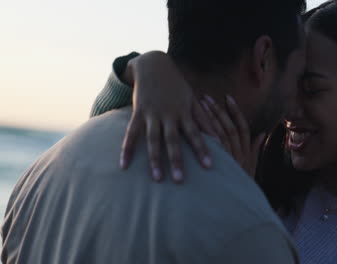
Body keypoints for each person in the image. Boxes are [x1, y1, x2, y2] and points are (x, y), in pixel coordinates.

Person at [90, 0, 337, 263]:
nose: (289, 109)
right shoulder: (254, 159)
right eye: (291, 84)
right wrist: (142, 69)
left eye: (311, 89)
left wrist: (241, 204)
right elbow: (105, 149)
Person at [1, 0, 307, 263]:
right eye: (298, 76)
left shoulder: (43, 172)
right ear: (264, 57)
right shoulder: (249, 231)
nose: (295, 104)